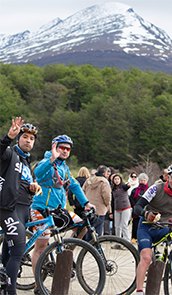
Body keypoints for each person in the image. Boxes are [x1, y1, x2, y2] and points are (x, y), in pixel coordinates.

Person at [32, 134, 95, 293]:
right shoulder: (47, 161)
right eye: (62, 147)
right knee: (41, 246)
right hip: (41, 209)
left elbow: (74, 186)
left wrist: (86, 203)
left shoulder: (64, 167)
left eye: (68, 149)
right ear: (54, 147)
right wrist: (52, 159)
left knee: (82, 226)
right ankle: (38, 285)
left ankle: (65, 255)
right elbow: (38, 173)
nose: (65, 151)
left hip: (58, 210)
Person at [133, 163, 172, 295]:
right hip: (147, 228)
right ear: (168, 177)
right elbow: (137, 207)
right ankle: (139, 291)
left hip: (165, 228)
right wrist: (146, 214)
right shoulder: (155, 189)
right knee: (146, 258)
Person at [0, 118, 40, 295]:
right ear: (18, 139)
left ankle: (3, 283)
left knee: (8, 254)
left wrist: (33, 188)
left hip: (23, 210)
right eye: (24, 137)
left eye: (31, 139)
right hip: (8, 209)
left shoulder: (26, 162)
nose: (28, 141)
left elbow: (21, 185)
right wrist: (8, 137)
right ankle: (11, 290)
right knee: (18, 249)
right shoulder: (10, 154)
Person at [82, 165, 112, 237]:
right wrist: (107, 205)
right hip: (100, 209)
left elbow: (82, 191)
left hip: (88, 208)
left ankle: (87, 246)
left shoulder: (88, 180)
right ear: (105, 173)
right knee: (97, 231)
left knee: (89, 229)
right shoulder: (104, 182)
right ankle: (95, 247)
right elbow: (107, 196)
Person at [111, 173, 132, 247]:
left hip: (125, 208)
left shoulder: (123, 186)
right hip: (117, 208)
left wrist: (128, 184)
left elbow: (127, 186)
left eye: (118, 179)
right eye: (115, 179)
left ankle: (127, 242)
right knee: (117, 226)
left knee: (124, 225)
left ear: (120, 180)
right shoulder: (113, 189)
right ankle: (118, 242)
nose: (116, 180)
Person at [129, 173, 149, 243]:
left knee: (144, 225)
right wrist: (134, 205)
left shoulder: (149, 190)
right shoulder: (135, 190)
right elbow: (131, 198)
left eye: (144, 180)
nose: (143, 182)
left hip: (145, 210)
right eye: (141, 180)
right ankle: (134, 237)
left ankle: (143, 238)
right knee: (135, 224)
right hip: (136, 210)